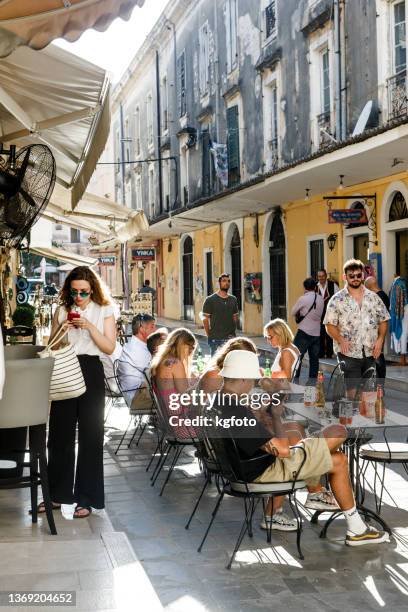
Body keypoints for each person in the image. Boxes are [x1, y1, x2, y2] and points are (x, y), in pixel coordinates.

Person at [208, 350, 388, 545]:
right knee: (338, 432)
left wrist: (265, 417)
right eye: (252, 380)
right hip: (261, 472)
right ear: (242, 378)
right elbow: (283, 451)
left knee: (336, 459)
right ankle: (323, 498)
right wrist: (275, 417)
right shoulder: (235, 410)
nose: (253, 384)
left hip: (242, 468)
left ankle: (354, 525)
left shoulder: (217, 401)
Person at [46, 266, 116, 518]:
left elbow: (109, 347)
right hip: (65, 369)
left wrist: (88, 327)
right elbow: (51, 345)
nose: (79, 297)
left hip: (90, 369)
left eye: (84, 293)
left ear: (93, 290)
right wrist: (63, 328)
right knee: (59, 435)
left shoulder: (105, 310)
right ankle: (56, 495)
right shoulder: (62, 310)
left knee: (91, 436)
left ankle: (86, 498)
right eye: (74, 292)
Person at [324, 259, 390, 395]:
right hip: (348, 353)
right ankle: (350, 414)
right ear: (345, 277)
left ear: (363, 276)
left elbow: (384, 320)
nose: (355, 279)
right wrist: (341, 340)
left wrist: (380, 339)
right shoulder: (336, 300)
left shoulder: (374, 298)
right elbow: (329, 325)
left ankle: (363, 416)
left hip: (371, 352)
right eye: (351, 276)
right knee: (351, 393)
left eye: (358, 275)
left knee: (367, 394)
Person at [151, 328, 198, 439]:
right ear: (181, 345)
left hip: (168, 423)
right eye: (190, 347)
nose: (192, 351)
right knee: (220, 428)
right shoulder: (175, 363)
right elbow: (186, 398)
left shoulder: (163, 360)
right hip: (180, 426)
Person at [117, 314, 156, 409]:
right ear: (141, 328)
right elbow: (156, 374)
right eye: (152, 326)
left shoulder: (132, 345)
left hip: (133, 395)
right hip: (138, 399)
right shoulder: (139, 350)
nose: (155, 330)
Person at [291, 277, 324, 380]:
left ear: (305, 287)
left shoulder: (303, 298)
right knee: (314, 360)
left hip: (303, 332)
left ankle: (295, 381)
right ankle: (312, 385)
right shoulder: (320, 299)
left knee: (297, 357)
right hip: (316, 333)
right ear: (315, 287)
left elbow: (293, 312)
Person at [202, 273, 240, 356]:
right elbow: (205, 319)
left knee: (230, 364)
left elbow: (235, 317)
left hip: (230, 339)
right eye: (224, 281)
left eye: (228, 281)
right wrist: (210, 335)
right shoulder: (210, 300)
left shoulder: (233, 299)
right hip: (216, 339)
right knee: (215, 365)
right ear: (219, 283)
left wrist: (233, 332)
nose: (226, 283)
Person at [365, 276, 390, 381]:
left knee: (378, 357)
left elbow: (379, 317)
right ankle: (378, 385)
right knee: (376, 357)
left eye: (366, 287)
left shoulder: (378, 297)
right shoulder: (383, 295)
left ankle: (379, 386)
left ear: (369, 286)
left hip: (377, 333)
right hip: (377, 332)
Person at [316, 269, 339, 358]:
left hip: (330, 314)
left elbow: (338, 298)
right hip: (319, 314)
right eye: (319, 276)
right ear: (317, 277)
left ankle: (329, 353)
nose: (321, 278)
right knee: (320, 334)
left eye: (323, 276)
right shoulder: (315, 287)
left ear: (326, 276)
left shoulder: (333, 285)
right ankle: (321, 353)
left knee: (330, 333)